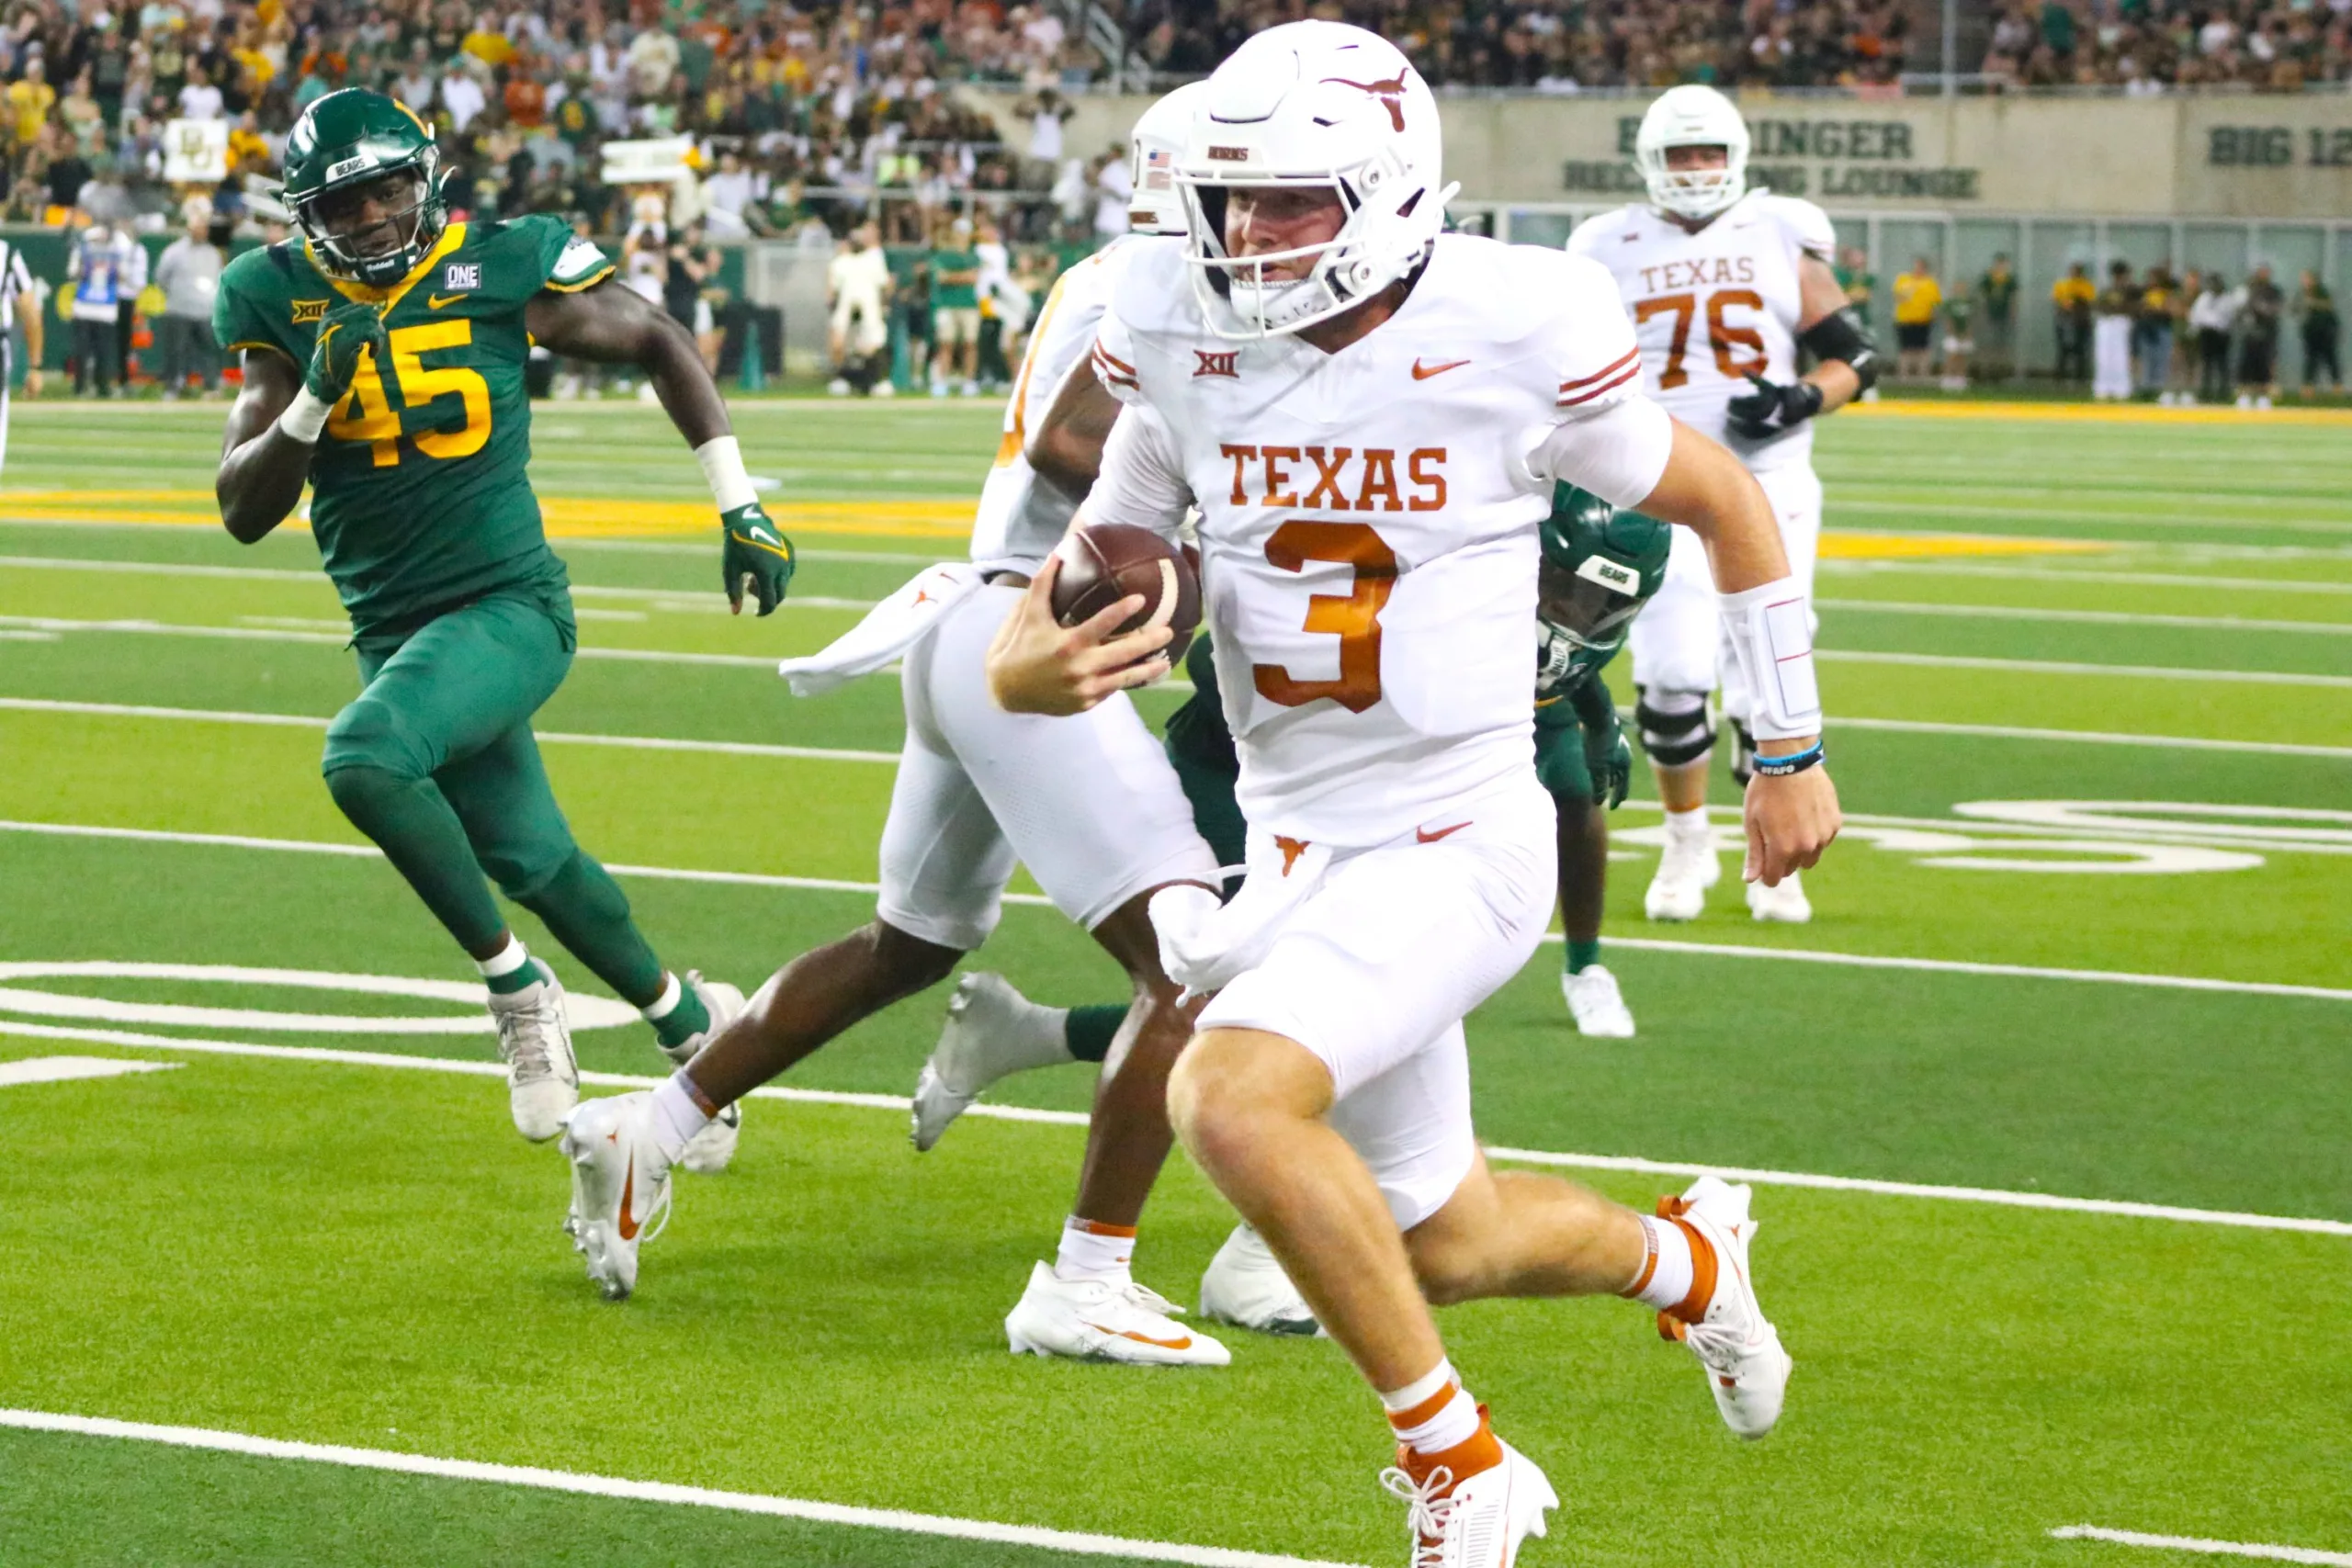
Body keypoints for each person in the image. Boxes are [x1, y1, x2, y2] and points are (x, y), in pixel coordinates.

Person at [986, 27, 1838, 1563]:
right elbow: (1105, 535)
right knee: (1444, 1242)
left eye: (1291, 203)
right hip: (1298, 848)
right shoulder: (1170, 318)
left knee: (1229, 1096)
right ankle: (1689, 1260)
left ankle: (1463, 1466)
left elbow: (1718, 495)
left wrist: (1785, 750)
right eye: (1229, 203)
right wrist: (1024, 665)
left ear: (1385, 190)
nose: (1248, 239)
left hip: (1461, 835)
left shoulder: (1517, 314)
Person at [559, 88, 1301, 1357]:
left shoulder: (1129, 267)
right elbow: (1079, 440)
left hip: (974, 623)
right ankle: (1088, 1276)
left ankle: (655, 1122)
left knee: (908, 943)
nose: (1279, 220)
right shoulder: (1168, 279)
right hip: (1026, 635)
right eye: (1268, 191)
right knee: (1191, 959)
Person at [210, 90, 796, 1157]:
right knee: (534, 858)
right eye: (344, 203)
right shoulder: (272, 297)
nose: (375, 215)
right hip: (394, 627)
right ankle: (694, 1034)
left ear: (426, 177)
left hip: (510, 605)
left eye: (389, 187)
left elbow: (659, 338)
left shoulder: (503, 265)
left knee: (364, 757)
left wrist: (738, 500)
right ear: (305, 215)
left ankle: (519, 994)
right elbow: (243, 510)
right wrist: (308, 405)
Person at [1568, 83, 1876, 926]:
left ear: (1737, 158)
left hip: (1770, 478)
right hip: (1657, 480)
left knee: (1763, 679)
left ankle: (1771, 858)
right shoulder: (1606, 243)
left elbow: (1854, 355)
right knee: (1670, 676)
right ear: (1649, 163)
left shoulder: (1780, 229)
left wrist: (1801, 400)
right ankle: (1684, 839)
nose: (1697, 170)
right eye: (1681, 154)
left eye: (1709, 153)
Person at [155, 207, 224, 397]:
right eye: (197, 227)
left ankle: (211, 386)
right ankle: (173, 387)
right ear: (189, 228)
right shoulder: (174, 252)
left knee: (209, 351)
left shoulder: (213, 253)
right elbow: (161, 278)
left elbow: (218, 279)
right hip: (179, 309)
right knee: (176, 351)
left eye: (203, 227)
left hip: (205, 310)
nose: (201, 231)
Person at [65, 218, 135, 397]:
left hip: (106, 308)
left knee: (104, 351)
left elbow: (124, 276)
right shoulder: (82, 252)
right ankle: (80, 387)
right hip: (85, 306)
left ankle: (102, 386)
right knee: (82, 350)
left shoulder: (117, 253)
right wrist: (86, 267)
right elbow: (72, 272)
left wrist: (109, 268)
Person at [825, 221, 891, 396]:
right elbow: (832, 289)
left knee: (872, 344)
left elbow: (883, 283)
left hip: (868, 307)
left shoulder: (873, 259)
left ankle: (874, 380)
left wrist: (884, 304)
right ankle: (840, 378)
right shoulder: (841, 262)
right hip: (847, 307)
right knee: (840, 342)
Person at [927, 215, 980, 396]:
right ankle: (941, 381)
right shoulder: (944, 254)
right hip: (947, 305)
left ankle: (969, 381)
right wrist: (963, 277)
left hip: (969, 305)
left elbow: (974, 277)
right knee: (946, 344)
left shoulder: (973, 255)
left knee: (970, 344)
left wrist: (953, 276)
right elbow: (941, 277)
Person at [2236, 263, 2282, 408]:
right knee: (2247, 364)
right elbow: (2241, 310)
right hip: (2250, 333)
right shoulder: (2248, 290)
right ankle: (2245, 394)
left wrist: (2264, 309)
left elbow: (2276, 309)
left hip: (2267, 333)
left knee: (2265, 364)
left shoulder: (2273, 291)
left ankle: (2263, 396)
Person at [2091, 261, 2136, 401]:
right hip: (2106, 323)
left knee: (2120, 356)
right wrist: (2110, 307)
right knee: (2103, 356)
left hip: (2121, 322)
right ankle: (2103, 388)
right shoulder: (2107, 290)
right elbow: (2098, 305)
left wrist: (2116, 308)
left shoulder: (2130, 290)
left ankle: (2121, 388)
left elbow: (2132, 307)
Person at [1891, 254, 1941, 380]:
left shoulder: (1930, 283)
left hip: (1923, 320)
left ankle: (1922, 375)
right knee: (1905, 349)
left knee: (1923, 349)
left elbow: (1936, 302)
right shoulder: (1904, 280)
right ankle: (1904, 376)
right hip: (1905, 319)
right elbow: (1898, 297)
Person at [2189, 272, 2237, 403]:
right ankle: (2205, 393)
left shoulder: (2227, 299)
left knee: (2222, 365)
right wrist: (2194, 331)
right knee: (2207, 365)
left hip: (2221, 335)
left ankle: (2224, 393)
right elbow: (2195, 315)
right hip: (2207, 334)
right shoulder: (2204, 298)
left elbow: (2230, 317)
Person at [2297, 270, 2339, 397]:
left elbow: (2328, 305)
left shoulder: (2321, 291)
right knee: (2311, 360)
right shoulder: (2302, 293)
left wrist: (2312, 303)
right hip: (2310, 332)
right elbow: (2296, 307)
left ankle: (2337, 386)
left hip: (2325, 332)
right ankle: (2308, 387)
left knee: (2330, 359)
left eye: (2307, 279)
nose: (2304, 282)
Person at [2134, 265, 2175, 398]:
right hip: (2147, 330)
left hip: (2161, 329)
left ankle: (2158, 390)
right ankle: (2146, 390)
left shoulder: (2166, 294)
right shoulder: (2146, 294)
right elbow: (2140, 310)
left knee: (2161, 361)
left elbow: (2169, 310)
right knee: (2147, 360)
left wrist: (2154, 309)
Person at [1975, 252, 2017, 380]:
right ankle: (1985, 370)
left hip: (2003, 314)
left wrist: (2013, 313)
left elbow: (2013, 298)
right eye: (1998, 263)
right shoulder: (1988, 277)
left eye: (2002, 263)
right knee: (1988, 342)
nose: (2000, 266)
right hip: (1990, 314)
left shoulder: (2009, 279)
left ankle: (2000, 370)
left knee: (2001, 344)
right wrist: (1982, 313)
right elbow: (1982, 296)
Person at [2052, 262, 2095, 382]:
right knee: (2063, 349)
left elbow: (2088, 302)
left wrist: (2076, 303)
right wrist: (2065, 307)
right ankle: (2060, 375)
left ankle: (2080, 376)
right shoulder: (2062, 284)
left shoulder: (2086, 285)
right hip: (2065, 320)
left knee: (2080, 349)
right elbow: (2056, 301)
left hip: (2080, 321)